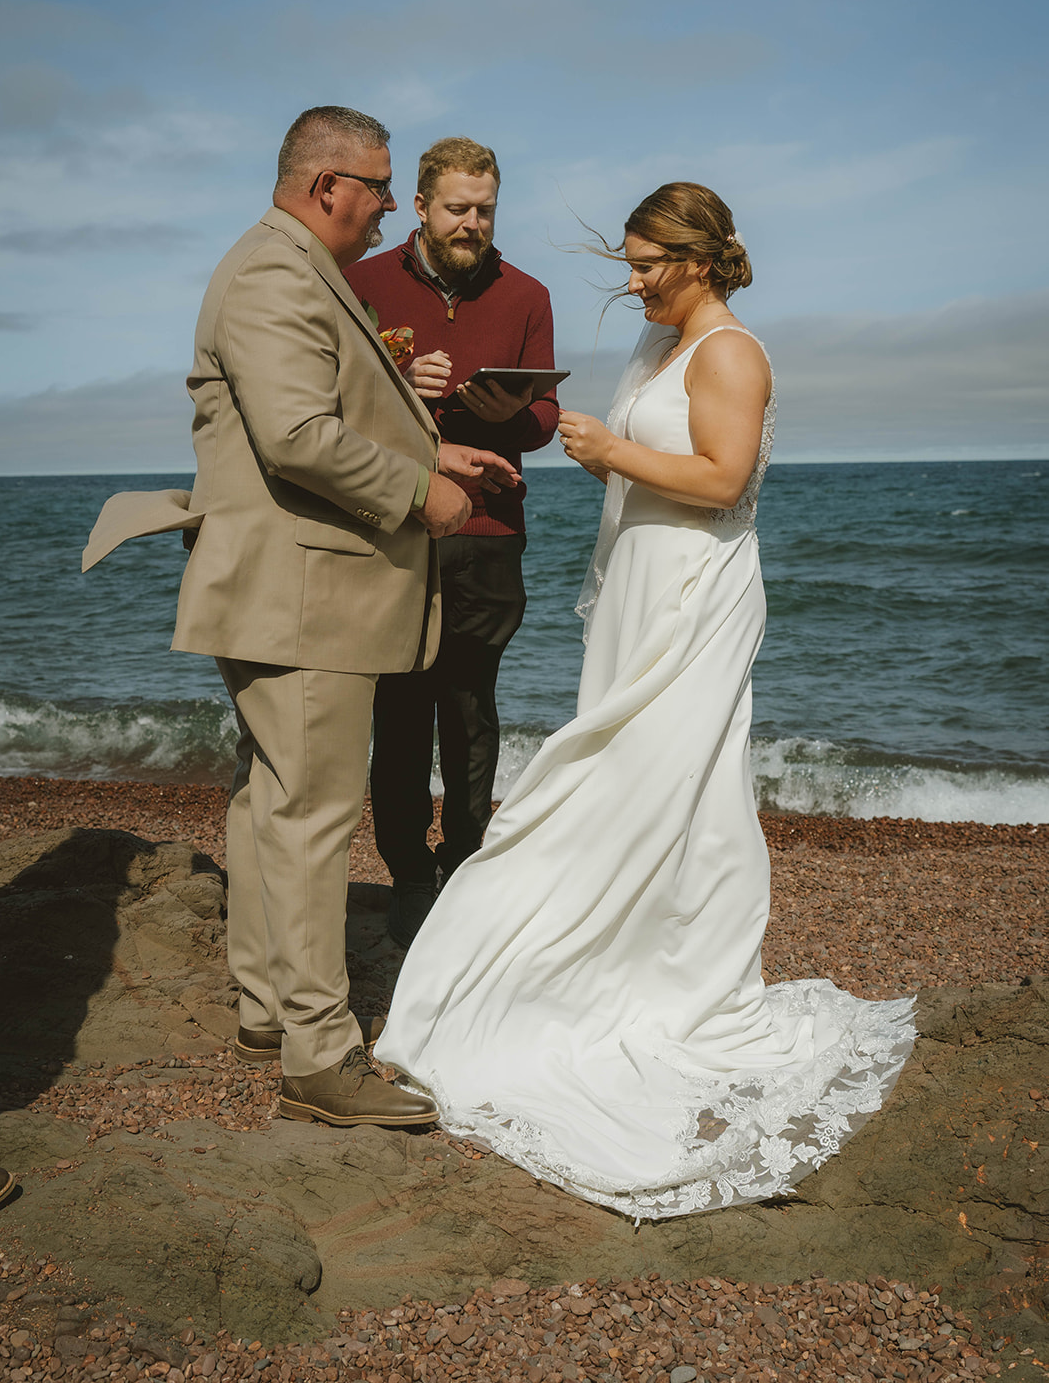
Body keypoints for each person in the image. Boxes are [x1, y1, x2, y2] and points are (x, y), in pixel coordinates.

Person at [375, 182, 915, 1217]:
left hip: (693, 592)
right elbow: (655, 468)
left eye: (642, 266)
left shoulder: (728, 352)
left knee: (662, 784)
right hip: (636, 584)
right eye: (623, 264)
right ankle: (594, 962)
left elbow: (719, 478)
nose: (627, 286)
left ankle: (649, 978)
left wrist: (610, 450)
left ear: (698, 260)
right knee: (638, 779)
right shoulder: (658, 350)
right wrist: (584, 447)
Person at [83, 107, 518, 1129]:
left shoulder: (280, 264)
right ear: (328, 185)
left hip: (280, 588)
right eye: (373, 186)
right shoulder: (277, 271)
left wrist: (430, 449)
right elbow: (295, 436)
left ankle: (267, 1005)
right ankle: (321, 1056)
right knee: (315, 816)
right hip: (304, 594)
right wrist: (424, 495)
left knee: (270, 801)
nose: (382, 207)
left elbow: (323, 412)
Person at [345, 137, 558, 947]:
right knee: (396, 712)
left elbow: (542, 419)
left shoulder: (527, 293)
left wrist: (514, 415)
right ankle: (406, 878)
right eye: (458, 208)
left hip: (489, 527)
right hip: (391, 521)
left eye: (486, 209)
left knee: (471, 711)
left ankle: (465, 864)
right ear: (423, 208)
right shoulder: (361, 282)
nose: (473, 222)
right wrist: (398, 388)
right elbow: (334, 398)